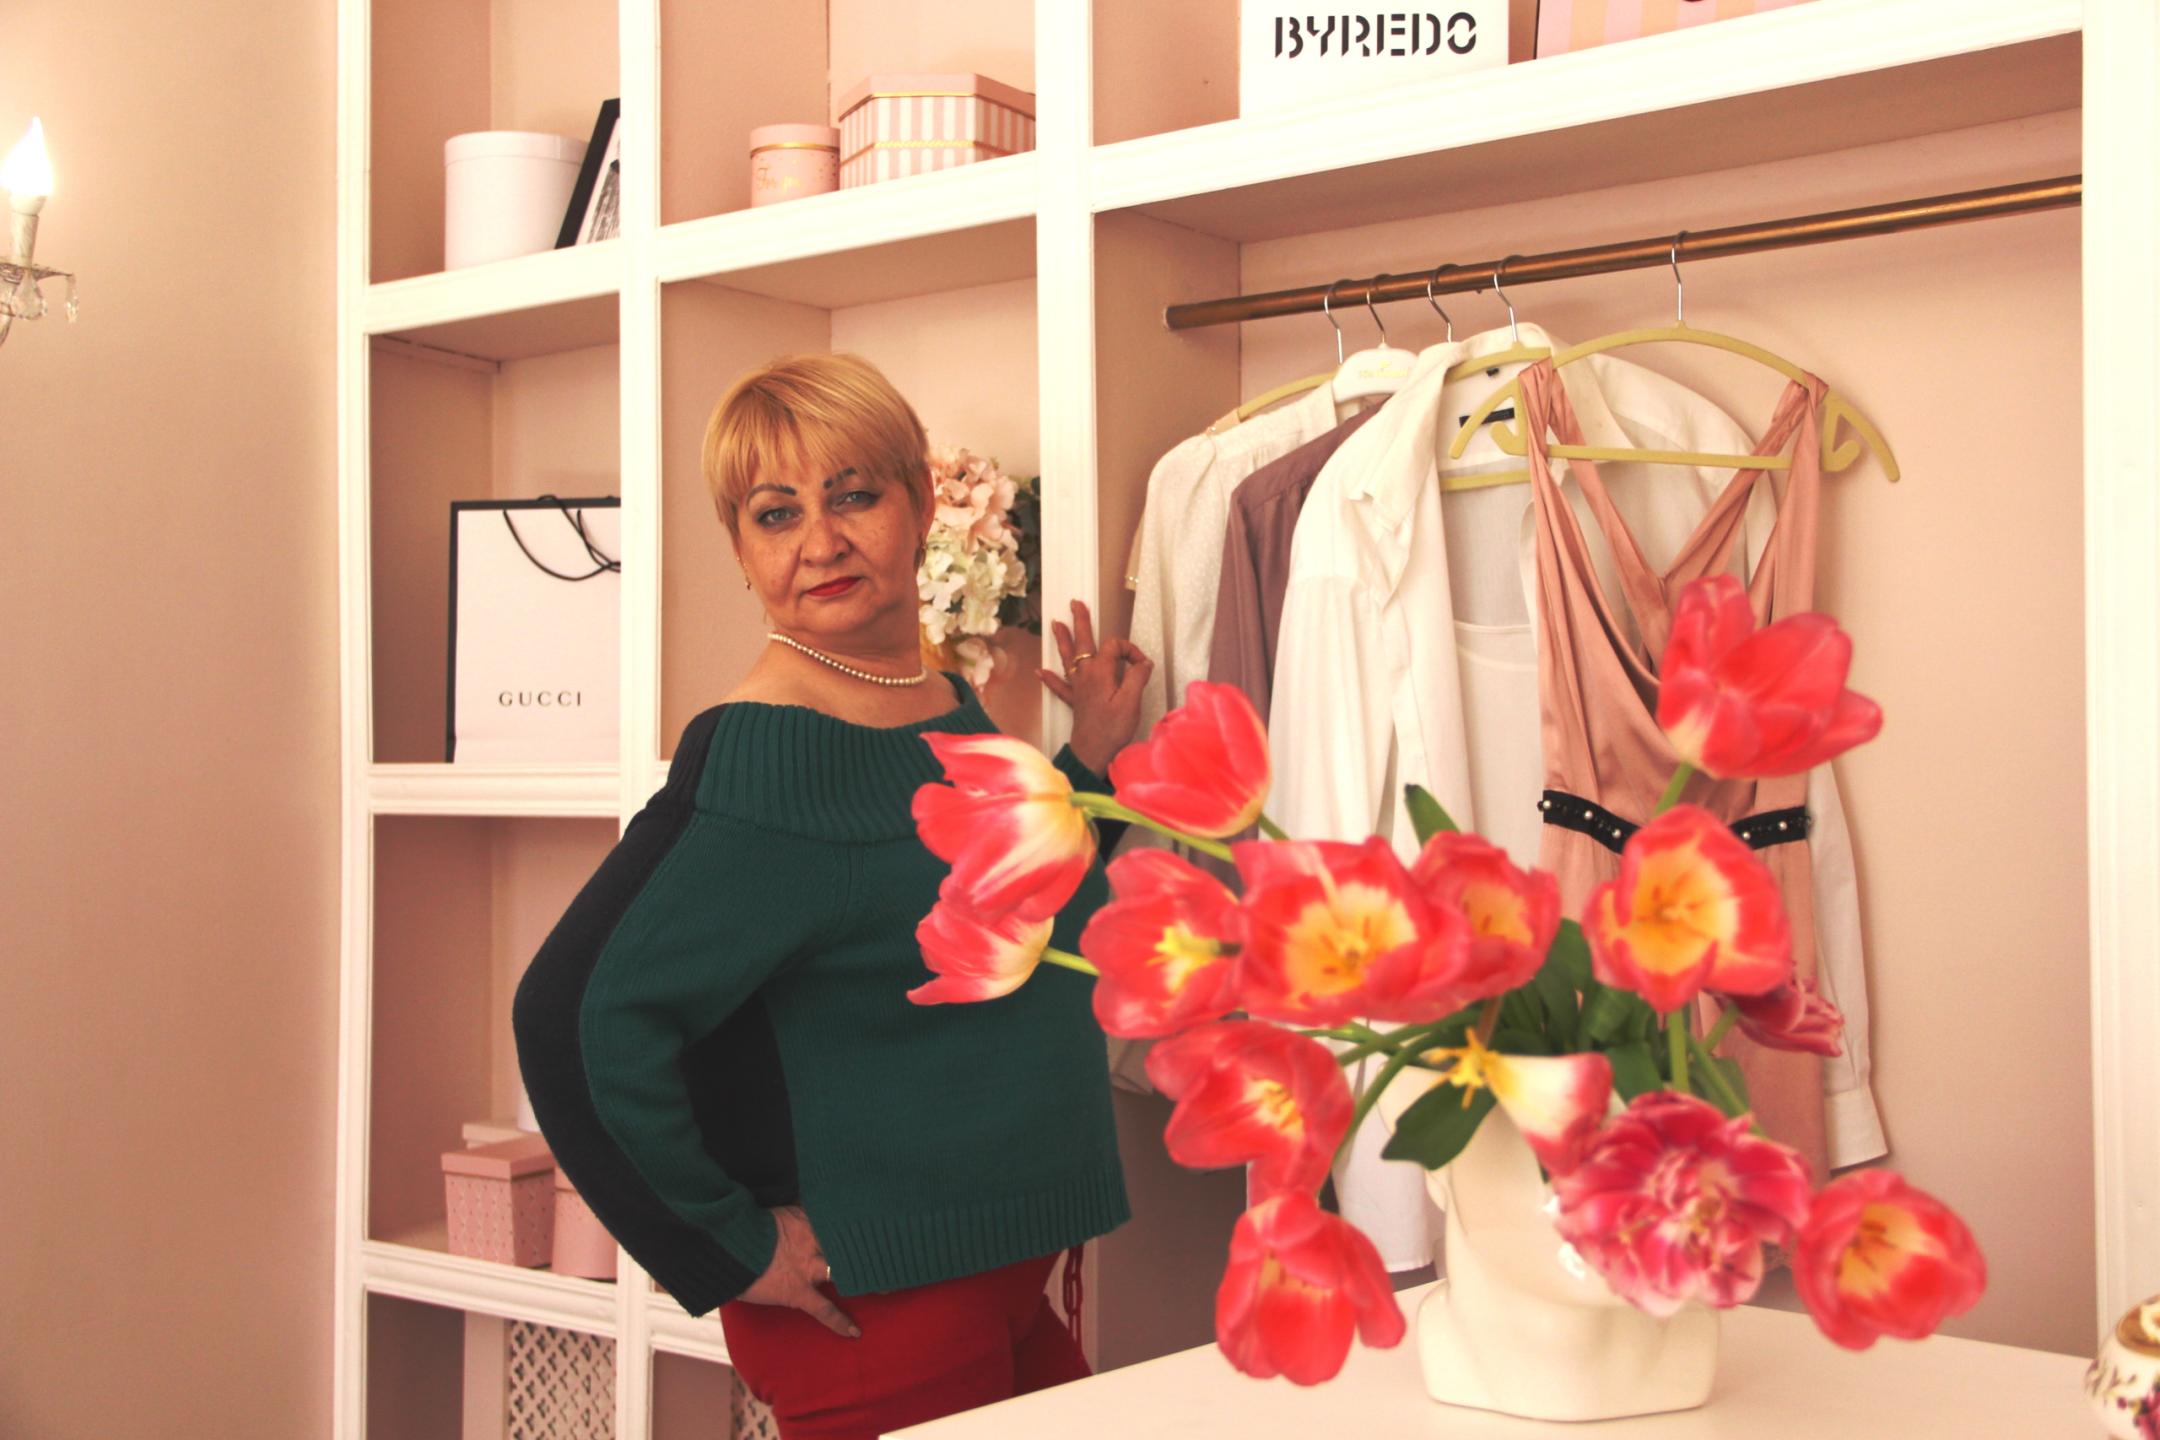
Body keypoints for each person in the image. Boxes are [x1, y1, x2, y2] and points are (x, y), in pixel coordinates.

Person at [511, 352, 1152, 1440]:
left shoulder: (932, 698)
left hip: (1003, 1278)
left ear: (920, 503)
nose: (820, 541)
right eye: (776, 514)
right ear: (741, 551)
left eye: (853, 495)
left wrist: (1087, 762)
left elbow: (1000, 905)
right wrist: (726, 1245)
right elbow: (571, 1019)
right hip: (886, 1319)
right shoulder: (763, 760)